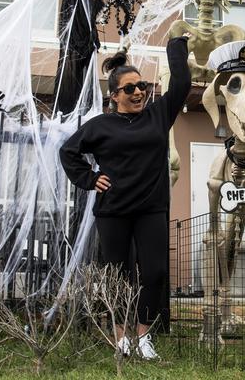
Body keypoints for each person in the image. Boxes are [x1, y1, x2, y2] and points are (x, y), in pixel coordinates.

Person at [60, 34, 191, 360]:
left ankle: (143, 337)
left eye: (142, 86)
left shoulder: (158, 115)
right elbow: (68, 152)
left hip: (150, 209)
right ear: (114, 95)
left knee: (155, 273)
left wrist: (176, 46)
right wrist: (90, 179)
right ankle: (121, 337)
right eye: (130, 88)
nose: (138, 93)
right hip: (114, 210)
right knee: (118, 276)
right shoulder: (100, 126)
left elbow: (181, 84)